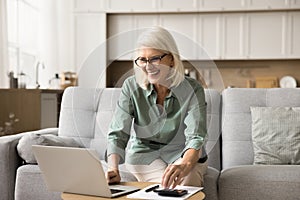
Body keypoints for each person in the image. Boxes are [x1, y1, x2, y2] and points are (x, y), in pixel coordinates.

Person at [106, 26, 208, 189]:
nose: (148, 66)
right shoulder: (131, 86)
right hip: (144, 155)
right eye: (142, 60)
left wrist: (184, 165)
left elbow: (196, 137)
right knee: (171, 187)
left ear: (172, 59)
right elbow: (118, 132)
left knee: (187, 182)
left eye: (155, 59)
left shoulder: (193, 89)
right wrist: (113, 168)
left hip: (182, 154)